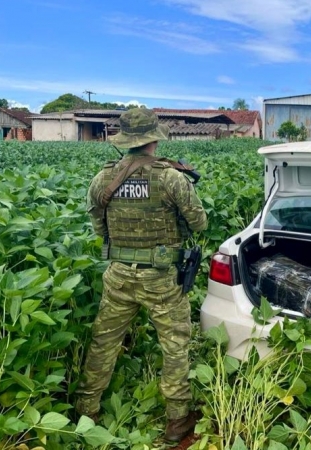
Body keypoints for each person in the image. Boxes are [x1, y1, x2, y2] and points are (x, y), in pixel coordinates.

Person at [76, 108, 208, 443]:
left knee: (104, 341)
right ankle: (178, 421)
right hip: (162, 278)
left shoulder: (103, 178)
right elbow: (199, 223)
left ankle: (86, 410)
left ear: (125, 141)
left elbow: (97, 223)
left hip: (118, 273)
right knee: (175, 346)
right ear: (153, 139)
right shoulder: (171, 177)